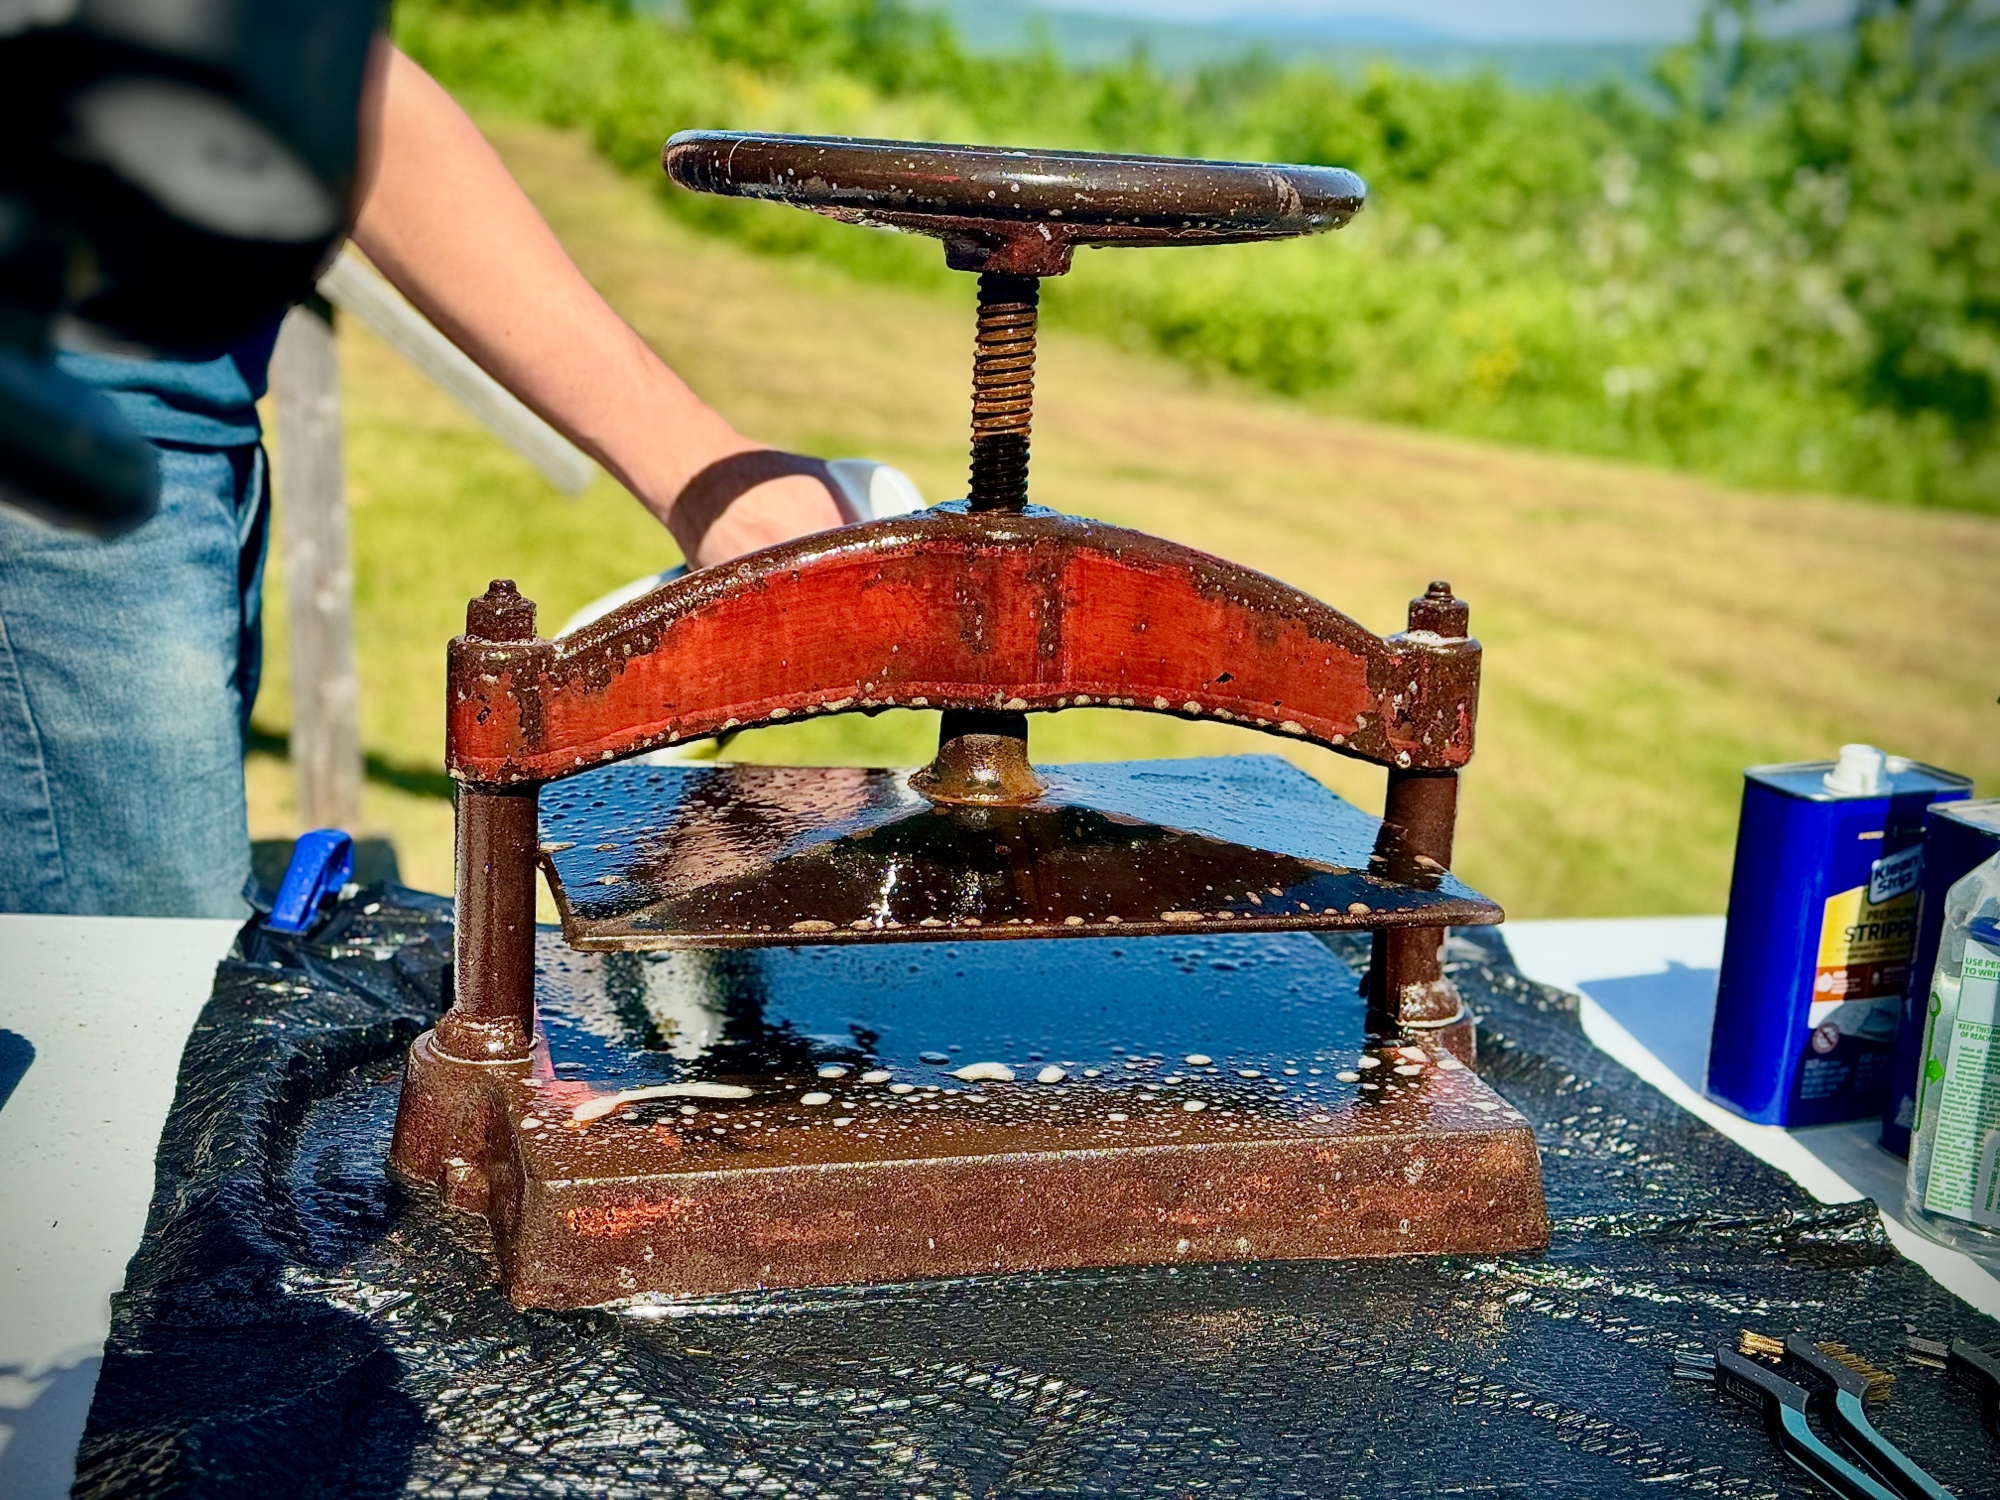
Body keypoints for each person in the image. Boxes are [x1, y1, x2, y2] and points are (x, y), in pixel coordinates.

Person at [0, 45, 848, 919]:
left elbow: (322, 71)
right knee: (136, 997)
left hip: (177, 420)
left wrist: (705, 474)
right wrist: (701, 475)